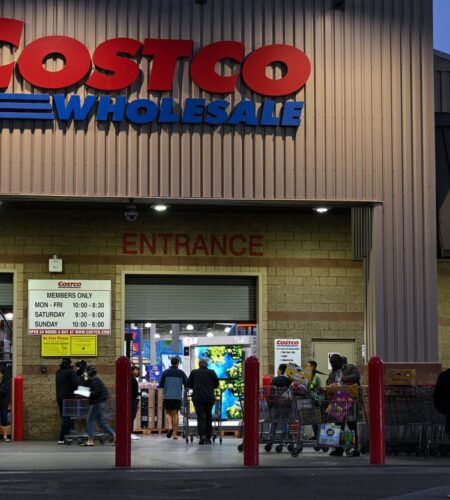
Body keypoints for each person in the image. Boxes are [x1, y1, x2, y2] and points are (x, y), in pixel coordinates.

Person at [326, 353, 360, 457]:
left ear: (340, 362)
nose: (333, 366)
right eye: (331, 364)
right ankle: (339, 449)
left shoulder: (350, 367)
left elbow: (356, 376)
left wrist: (343, 379)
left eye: (334, 364)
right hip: (338, 401)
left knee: (351, 425)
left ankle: (353, 448)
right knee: (338, 427)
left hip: (349, 400)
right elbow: (328, 382)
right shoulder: (333, 372)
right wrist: (330, 385)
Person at [187, 358, 219, 445]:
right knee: (208, 416)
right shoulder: (211, 372)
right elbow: (217, 384)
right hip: (209, 398)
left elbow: (189, 384)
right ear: (207, 365)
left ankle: (202, 436)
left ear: (199, 365)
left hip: (198, 398)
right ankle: (208, 438)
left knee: (201, 417)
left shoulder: (194, 372)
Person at [81, 366, 115, 447]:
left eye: (86, 372)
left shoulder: (95, 380)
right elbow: (86, 385)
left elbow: (96, 392)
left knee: (89, 420)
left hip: (97, 403)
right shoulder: (93, 379)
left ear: (89, 372)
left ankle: (90, 440)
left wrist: (87, 393)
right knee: (102, 422)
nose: (85, 373)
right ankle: (114, 435)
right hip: (100, 402)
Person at [159, 357, 188, 440]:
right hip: (177, 397)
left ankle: (170, 427)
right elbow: (187, 383)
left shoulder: (165, 372)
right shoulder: (181, 373)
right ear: (177, 363)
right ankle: (175, 434)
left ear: (171, 363)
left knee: (168, 413)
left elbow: (161, 384)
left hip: (167, 396)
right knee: (175, 414)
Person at [55, 357, 79, 444]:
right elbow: (76, 384)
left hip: (59, 397)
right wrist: (85, 391)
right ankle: (62, 437)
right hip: (68, 398)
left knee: (65, 417)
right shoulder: (71, 372)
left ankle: (68, 435)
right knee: (67, 417)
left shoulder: (58, 372)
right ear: (69, 363)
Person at [268, 364, 292, 441]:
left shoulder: (275, 380)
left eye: (278, 369)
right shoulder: (289, 380)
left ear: (281, 370)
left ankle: (271, 436)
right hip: (287, 404)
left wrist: (269, 405)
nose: (277, 371)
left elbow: (271, 392)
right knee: (285, 420)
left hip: (277, 404)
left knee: (274, 420)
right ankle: (285, 437)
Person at [0, 367, 11, 442]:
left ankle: (5, 436)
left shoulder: (6, 381)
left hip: (3, 403)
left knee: (4, 419)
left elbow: (5, 391)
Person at [131, 365, 141, 440]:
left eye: (138, 370)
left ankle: (130, 432)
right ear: (131, 371)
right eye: (135, 370)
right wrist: (140, 393)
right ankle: (130, 432)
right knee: (131, 416)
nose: (137, 371)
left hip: (134, 399)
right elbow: (133, 392)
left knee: (132, 417)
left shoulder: (133, 379)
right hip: (133, 400)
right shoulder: (132, 379)